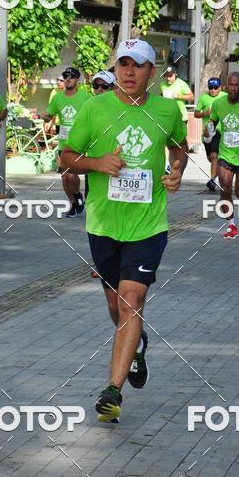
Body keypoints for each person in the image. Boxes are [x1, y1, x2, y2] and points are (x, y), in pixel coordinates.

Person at [61, 39, 188, 423]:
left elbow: (179, 147)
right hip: (103, 225)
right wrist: (98, 163)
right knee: (118, 308)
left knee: (132, 299)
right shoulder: (94, 107)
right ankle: (137, 344)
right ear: (115, 68)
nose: (129, 71)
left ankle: (112, 392)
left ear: (152, 71)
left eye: (138, 65)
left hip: (148, 224)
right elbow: (66, 158)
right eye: (123, 64)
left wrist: (177, 170)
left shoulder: (167, 110)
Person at [210, 72, 239, 240]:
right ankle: (231, 225)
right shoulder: (218, 104)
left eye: (236, 85)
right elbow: (212, 121)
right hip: (226, 154)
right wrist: (208, 130)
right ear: (226, 86)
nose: (233, 88)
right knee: (225, 189)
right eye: (230, 85)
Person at [42, 66, 92, 217]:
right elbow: (48, 116)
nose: (68, 79)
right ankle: (73, 203)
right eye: (66, 76)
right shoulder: (57, 98)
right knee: (64, 176)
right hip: (64, 142)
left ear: (78, 80)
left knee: (71, 174)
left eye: (72, 76)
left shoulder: (86, 97)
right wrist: (45, 116)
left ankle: (77, 194)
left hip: (80, 142)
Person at [194, 76, 222, 191]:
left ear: (220, 87)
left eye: (215, 87)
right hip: (207, 133)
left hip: (220, 131)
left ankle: (212, 180)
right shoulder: (204, 98)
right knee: (211, 158)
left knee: (214, 155)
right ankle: (217, 172)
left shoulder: (225, 97)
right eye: (211, 88)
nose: (213, 90)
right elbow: (196, 114)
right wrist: (205, 113)